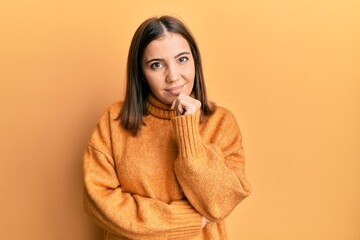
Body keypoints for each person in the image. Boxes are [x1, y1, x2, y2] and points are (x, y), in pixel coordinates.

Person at [83, 15, 251, 240]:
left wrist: (188, 130)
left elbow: (219, 204)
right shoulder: (113, 121)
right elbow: (98, 203)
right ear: (142, 74)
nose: (173, 76)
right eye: (157, 65)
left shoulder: (221, 123)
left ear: (195, 61)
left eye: (182, 59)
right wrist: (190, 220)